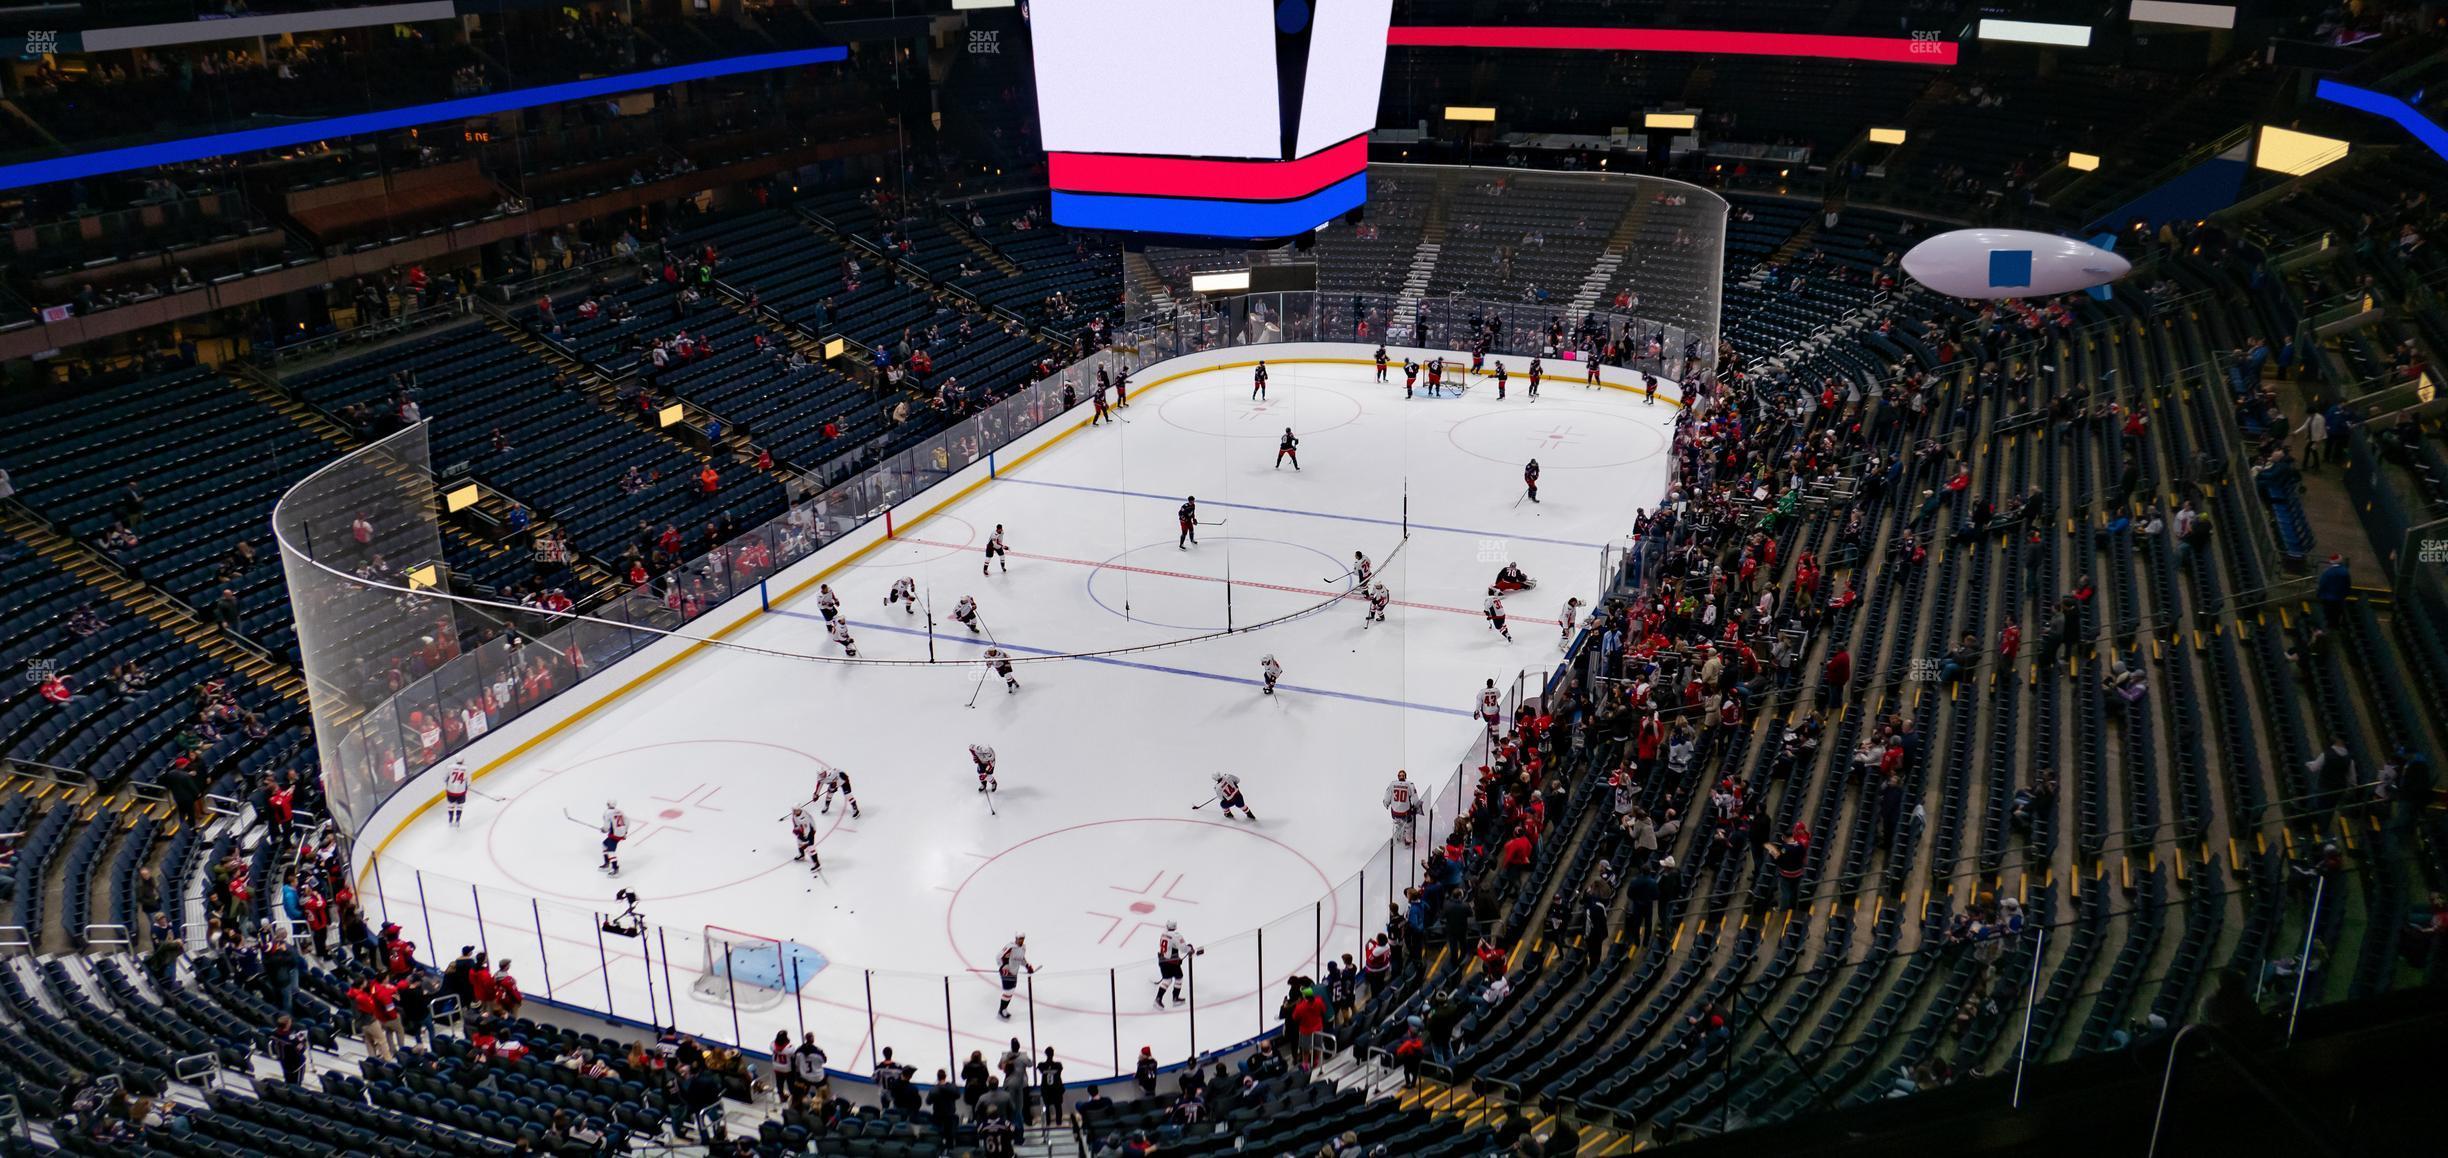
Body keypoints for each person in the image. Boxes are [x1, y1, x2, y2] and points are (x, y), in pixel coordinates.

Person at [997, 934, 1035, 1019]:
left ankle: (1003, 1009)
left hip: (1014, 972)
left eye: (1022, 939)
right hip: (1006, 972)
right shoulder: (1010, 947)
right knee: (1008, 991)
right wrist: (1003, 967)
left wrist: (1027, 965)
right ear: (1016, 939)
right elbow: (999, 957)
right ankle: (1002, 1010)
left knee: (1011, 991)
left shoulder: (1023, 948)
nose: (1020, 941)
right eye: (1019, 939)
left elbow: (1021, 959)